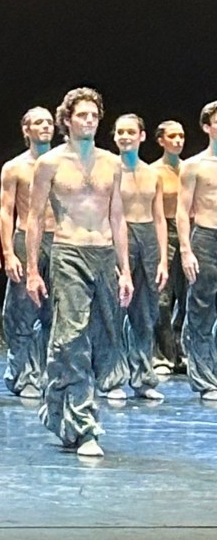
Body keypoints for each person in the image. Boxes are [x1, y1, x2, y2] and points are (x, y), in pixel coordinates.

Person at [26, 87, 133, 458]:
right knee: (71, 338)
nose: (89, 121)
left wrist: (125, 270)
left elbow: (117, 216)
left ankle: (56, 401)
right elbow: (34, 217)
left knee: (105, 339)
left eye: (94, 115)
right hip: (68, 252)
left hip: (104, 254)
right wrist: (32, 270)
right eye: (82, 115)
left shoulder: (111, 163)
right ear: (67, 120)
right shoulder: (50, 163)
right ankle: (84, 425)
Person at [0, 107, 55, 398]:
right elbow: (5, 211)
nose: (45, 127)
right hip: (25, 238)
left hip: (59, 238)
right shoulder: (15, 167)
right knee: (21, 309)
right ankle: (23, 374)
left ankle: (50, 373)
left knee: (55, 311)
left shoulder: (63, 163)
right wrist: (8, 252)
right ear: (26, 129)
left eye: (49, 122)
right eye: (38, 122)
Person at [113, 114, 167, 401]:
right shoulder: (109, 170)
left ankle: (143, 378)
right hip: (118, 236)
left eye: (130, 132)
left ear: (142, 136)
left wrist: (163, 259)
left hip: (147, 238)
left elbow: (159, 218)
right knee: (113, 312)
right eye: (120, 132)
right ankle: (112, 378)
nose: (125, 136)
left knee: (145, 315)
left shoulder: (153, 174)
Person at [176, 101, 217, 401]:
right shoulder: (194, 166)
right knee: (201, 309)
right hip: (206, 237)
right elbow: (182, 210)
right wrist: (186, 250)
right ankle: (205, 379)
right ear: (207, 127)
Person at [152, 120, 186, 375]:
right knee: (162, 299)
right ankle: (162, 355)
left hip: (190, 231)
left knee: (188, 298)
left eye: (181, 136)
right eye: (172, 136)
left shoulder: (190, 168)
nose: (177, 141)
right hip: (163, 231)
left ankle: (182, 352)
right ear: (160, 140)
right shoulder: (154, 172)